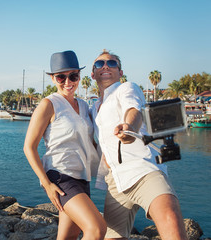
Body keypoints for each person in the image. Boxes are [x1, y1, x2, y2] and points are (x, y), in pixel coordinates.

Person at [90, 49, 188, 240]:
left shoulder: (126, 88)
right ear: (93, 74)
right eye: (99, 64)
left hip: (142, 170)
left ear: (120, 72)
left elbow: (133, 109)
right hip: (115, 181)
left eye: (111, 63)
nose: (106, 67)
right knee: (113, 236)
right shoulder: (94, 107)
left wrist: (129, 128)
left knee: (170, 218)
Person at [24, 50, 106, 240]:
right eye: (61, 77)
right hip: (61, 178)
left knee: (68, 236)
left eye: (73, 76)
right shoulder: (48, 104)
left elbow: (92, 141)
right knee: (96, 229)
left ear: (79, 76)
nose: (68, 82)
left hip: (82, 178)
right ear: (53, 79)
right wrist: (47, 184)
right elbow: (29, 147)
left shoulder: (84, 106)